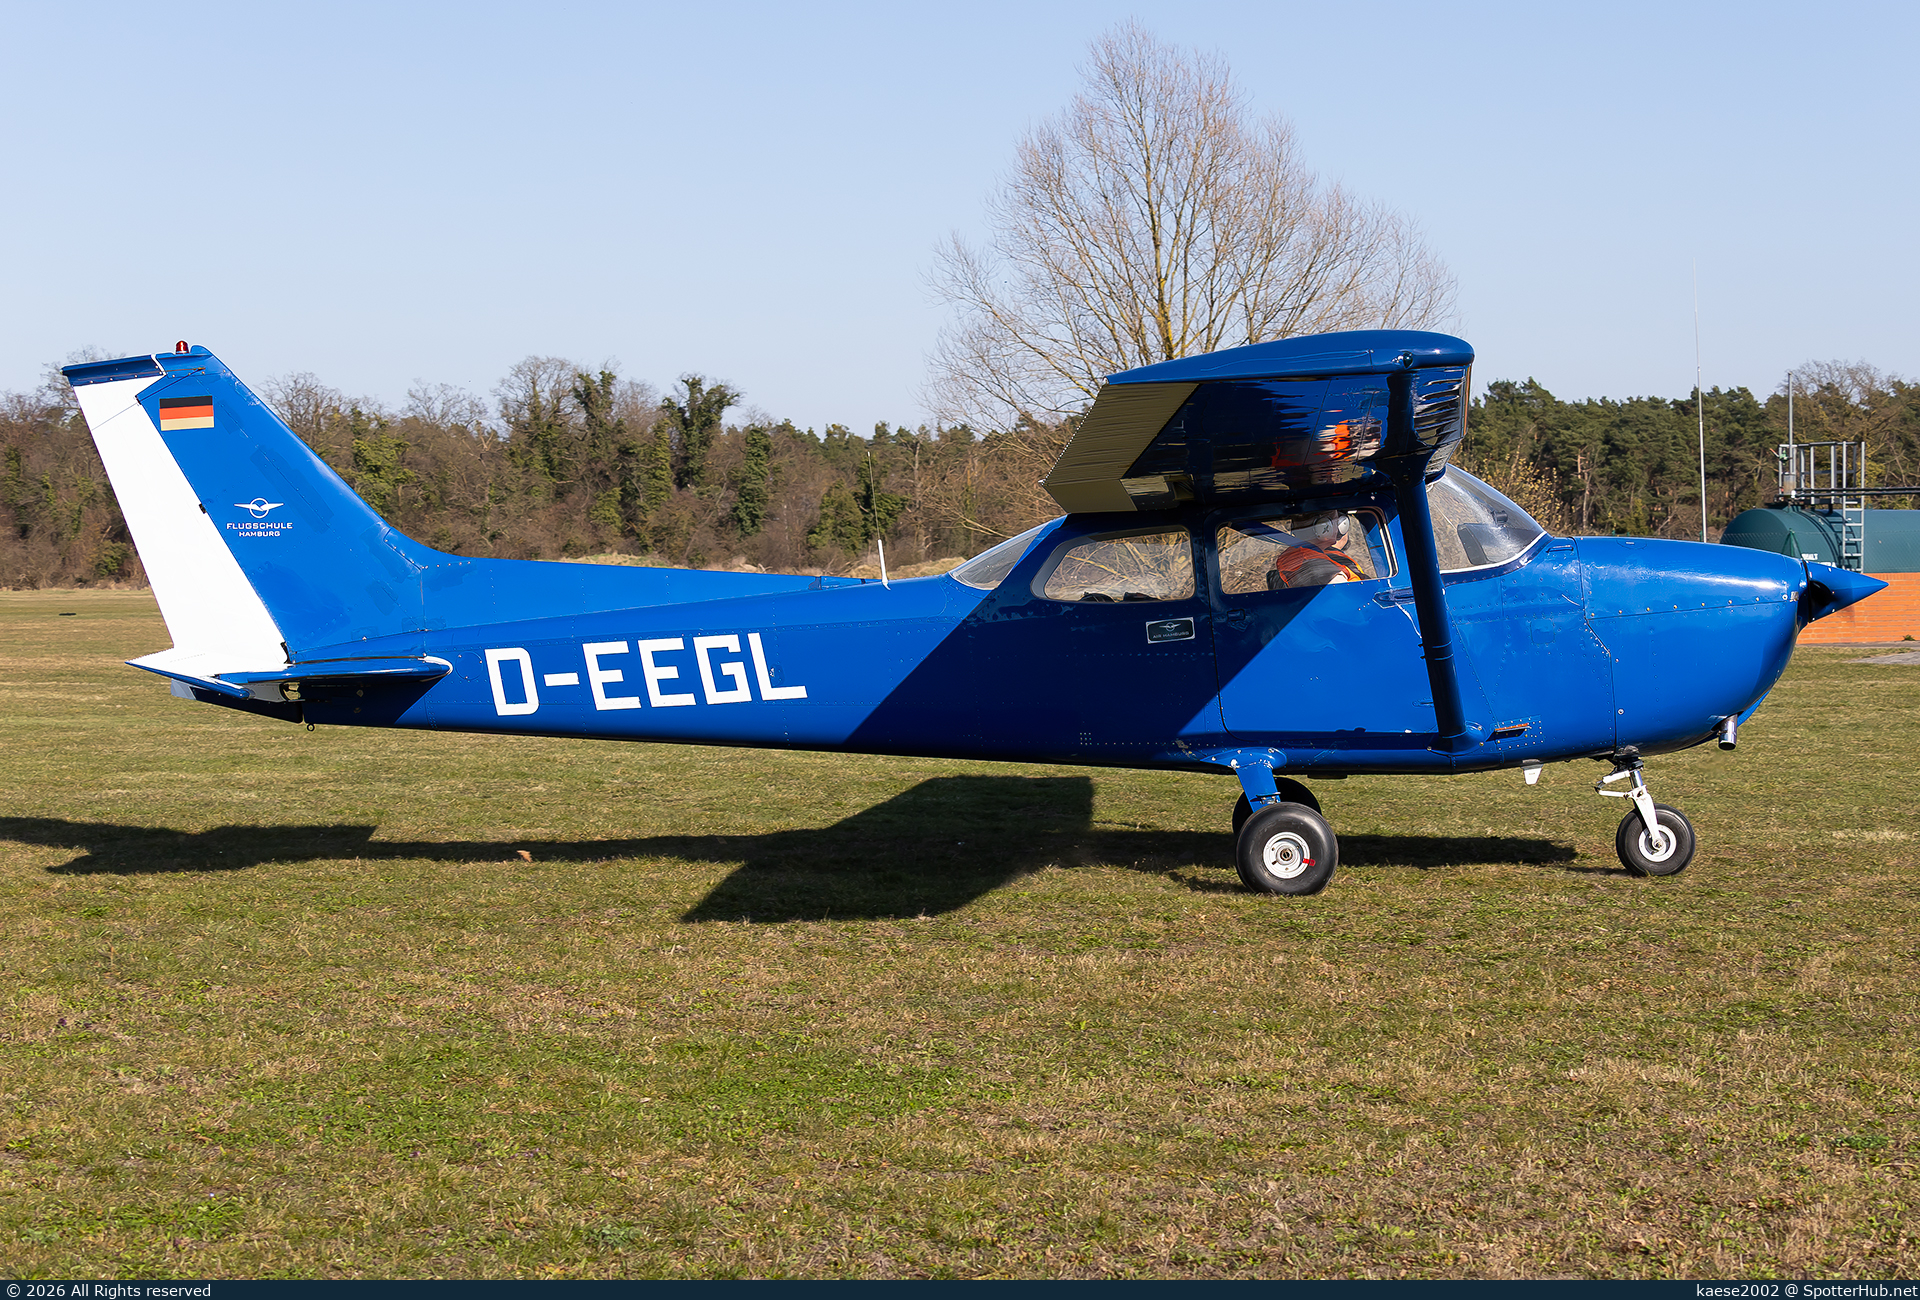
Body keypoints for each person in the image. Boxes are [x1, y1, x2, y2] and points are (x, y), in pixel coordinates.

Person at [1267, 512, 1368, 589]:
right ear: (1324, 528)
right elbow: (1345, 600)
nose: (1339, 528)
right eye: (1336, 521)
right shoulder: (1309, 562)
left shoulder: (1320, 553)